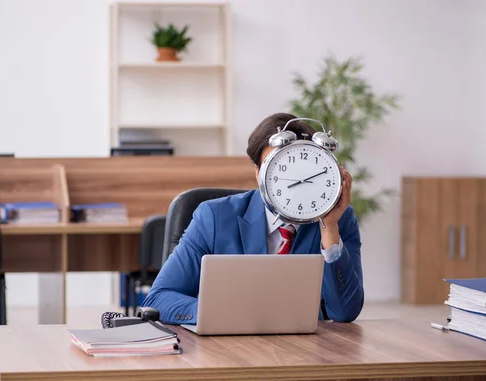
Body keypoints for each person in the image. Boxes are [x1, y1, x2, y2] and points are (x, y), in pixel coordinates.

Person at [142, 112, 364, 324]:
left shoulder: (338, 221)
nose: (293, 183)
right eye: (278, 170)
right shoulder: (213, 218)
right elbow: (159, 299)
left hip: (303, 351)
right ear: (258, 172)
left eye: (306, 172)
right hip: (230, 348)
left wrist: (330, 228)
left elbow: (344, 312)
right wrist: (222, 314)